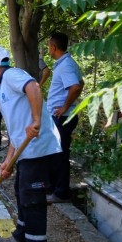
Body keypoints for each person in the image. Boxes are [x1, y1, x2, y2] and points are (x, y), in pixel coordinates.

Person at [0, 45, 62, 242]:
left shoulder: (13, 75)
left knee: (33, 199)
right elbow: (16, 128)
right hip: (25, 150)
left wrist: (36, 120)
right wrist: (8, 161)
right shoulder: (3, 86)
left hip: (38, 149)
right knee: (21, 193)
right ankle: (21, 237)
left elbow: (34, 87)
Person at [46, 32, 84, 203]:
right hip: (62, 115)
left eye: (48, 46)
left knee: (60, 155)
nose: (48, 49)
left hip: (63, 117)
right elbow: (81, 83)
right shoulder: (66, 63)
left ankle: (60, 193)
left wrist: (65, 106)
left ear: (54, 47)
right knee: (56, 153)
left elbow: (75, 87)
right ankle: (54, 187)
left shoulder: (66, 65)